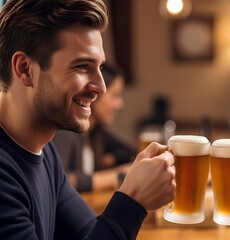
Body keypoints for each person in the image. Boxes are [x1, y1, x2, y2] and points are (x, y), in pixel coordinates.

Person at [0, 0, 175, 239]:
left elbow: (90, 233)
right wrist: (133, 200)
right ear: (24, 69)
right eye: (82, 66)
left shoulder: (44, 152)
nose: (101, 87)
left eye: (100, 67)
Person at [53, 63, 137, 192]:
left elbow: (131, 152)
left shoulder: (96, 131)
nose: (119, 104)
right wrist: (117, 175)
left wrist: (113, 158)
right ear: (96, 92)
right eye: (115, 95)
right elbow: (60, 181)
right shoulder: (66, 131)